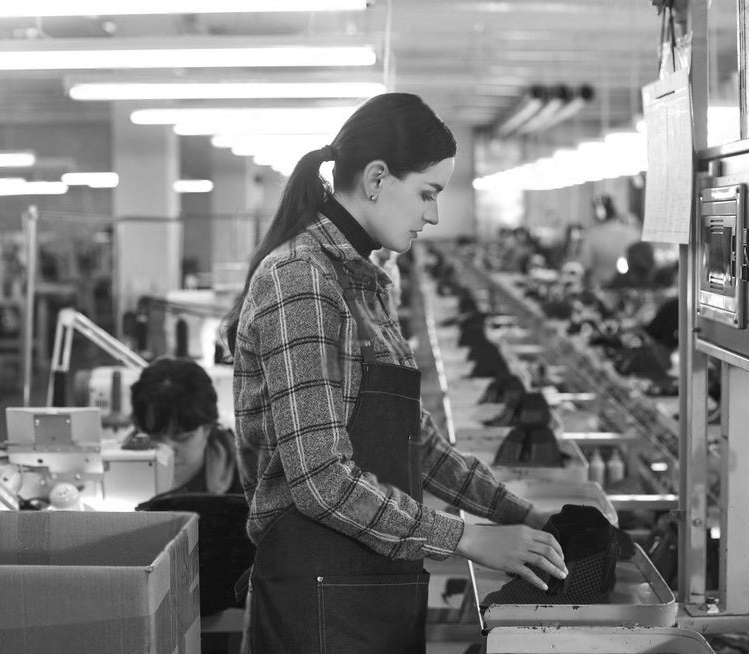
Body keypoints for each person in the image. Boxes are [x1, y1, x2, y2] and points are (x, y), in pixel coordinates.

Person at [221, 93, 566, 653]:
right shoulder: (302, 281)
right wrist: (470, 538)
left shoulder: (363, 282)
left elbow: (418, 445)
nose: (433, 216)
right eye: (428, 193)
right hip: (318, 600)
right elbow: (320, 481)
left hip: (369, 583)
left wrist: (522, 516)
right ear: (378, 178)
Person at [130, 357, 242, 495]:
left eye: (182, 437)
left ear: (207, 428)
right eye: (155, 437)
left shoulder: (246, 481)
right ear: (137, 428)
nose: (168, 450)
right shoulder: (112, 472)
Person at [576, 194, 643, 288]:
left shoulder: (593, 235)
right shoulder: (633, 232)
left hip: (603, 288)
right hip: (630, 287)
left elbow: (585, 264)